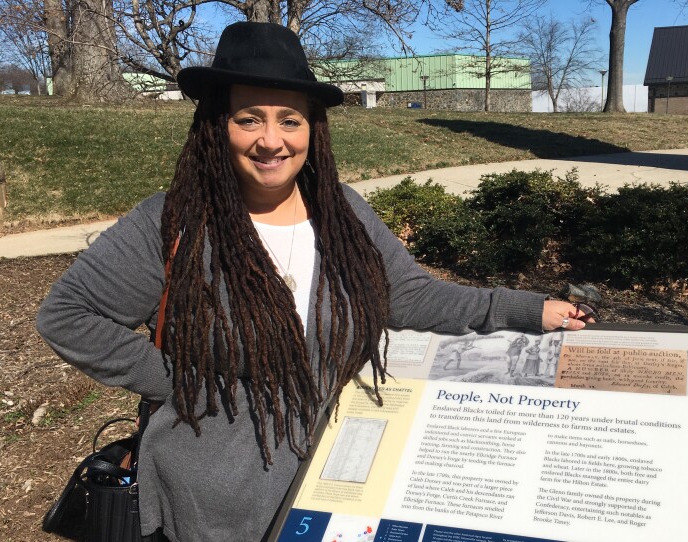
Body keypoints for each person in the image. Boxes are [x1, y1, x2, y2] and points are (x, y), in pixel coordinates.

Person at [36, 22, 594, 541]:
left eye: (290, 119)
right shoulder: (174, 221)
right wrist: (182, 383)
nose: (271, 140)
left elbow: (409, 294)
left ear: (312, 129)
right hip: (218, 499)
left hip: (335, 477)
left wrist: (525, 310)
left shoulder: (341, 212)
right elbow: (68, 315)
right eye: (249, 118)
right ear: (216, 126)